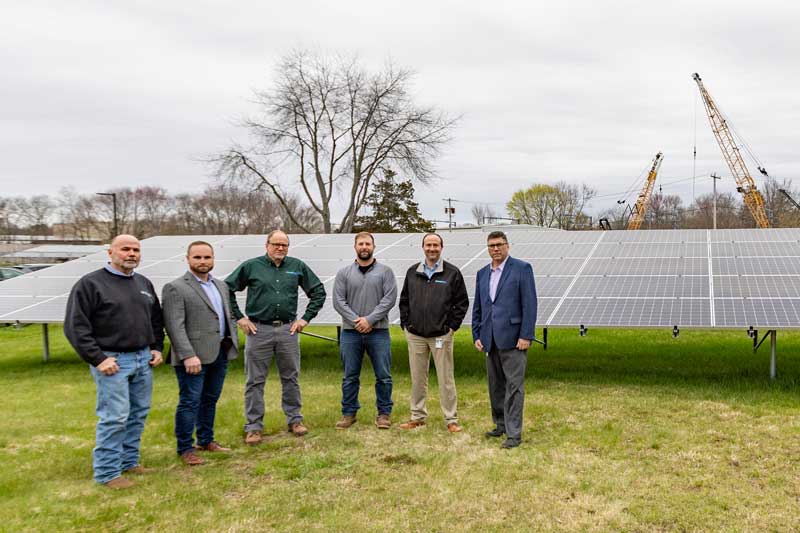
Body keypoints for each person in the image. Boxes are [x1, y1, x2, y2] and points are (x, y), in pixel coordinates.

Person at [64, 234, 164, 489]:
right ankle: (108, 473)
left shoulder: (143, 283)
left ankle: (129, 461)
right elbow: (76, 327)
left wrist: (156, 348)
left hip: (143, 359)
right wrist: (98, 359)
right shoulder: (91, 284)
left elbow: (155, 320)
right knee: (115, 416)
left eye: (136, 250)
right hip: (113, 361)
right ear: (110, 253)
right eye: (125, 249)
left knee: (138, 413)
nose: (131, 254)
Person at [225, 230, 326, 445]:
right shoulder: (251, 266)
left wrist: (305, 319)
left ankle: (295, 420)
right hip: (257, 330)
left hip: (288, 330)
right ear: (267, 245)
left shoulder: (297, 267)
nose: (280, 248)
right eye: (276, 244)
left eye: (285, 245)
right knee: (255, 381)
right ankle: (253, 427)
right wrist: (239, 318)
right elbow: (226, 289)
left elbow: (318, 292)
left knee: (291, 378)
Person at [162, 241, 239, 466]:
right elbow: (174, 325)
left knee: (210, 399)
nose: (203, 262)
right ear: (187, 259)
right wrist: (187, 355)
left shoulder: (221, 286)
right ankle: (185, 448)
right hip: (193, 357)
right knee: (190, 401)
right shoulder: (176, 287)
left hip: (219, 352)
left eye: (207, 257)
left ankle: (206, 440)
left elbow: (225, 315)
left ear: (213, 259)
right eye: (197, 257)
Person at [472, 231, 537, 449]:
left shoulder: (521, 269)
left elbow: (530, 304)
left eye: (499, 244)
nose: (495, 249)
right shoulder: (482, 273)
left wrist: (526, 335)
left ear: (507, 245)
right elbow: (479, 308)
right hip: (489, 339)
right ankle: (500, 424)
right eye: (491, 245)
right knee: (495, 386)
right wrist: (477, 335)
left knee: (514, 387)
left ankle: (514, 433)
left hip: (514, 339)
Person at [398, 233, 469, 433]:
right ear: (423, 247)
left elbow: (462, 303)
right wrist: (406, 324)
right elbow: (404, 300)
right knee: (417, 378)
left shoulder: (452, 273)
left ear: (441, 247)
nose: (432, 248)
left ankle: (451, 419)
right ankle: (418, 416)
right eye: (428, 245)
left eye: (435, 245)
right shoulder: (413, 272)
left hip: (441, 335)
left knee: (446, 379)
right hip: (416, 335)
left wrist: (452, 327)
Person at [332, 232, 397, 430]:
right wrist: (356, 321)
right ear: (355, 247)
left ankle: (384, 413)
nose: (364, 247)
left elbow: (389, 299)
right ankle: (349, 413)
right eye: (360, 244)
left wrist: (369, 320)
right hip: (350, 333)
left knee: (383, 375)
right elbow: (338, 301)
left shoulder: (385, 272)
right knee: (350, 375)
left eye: (368, 243)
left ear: (373, 247)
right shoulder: (344, 273)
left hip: (379, 332)